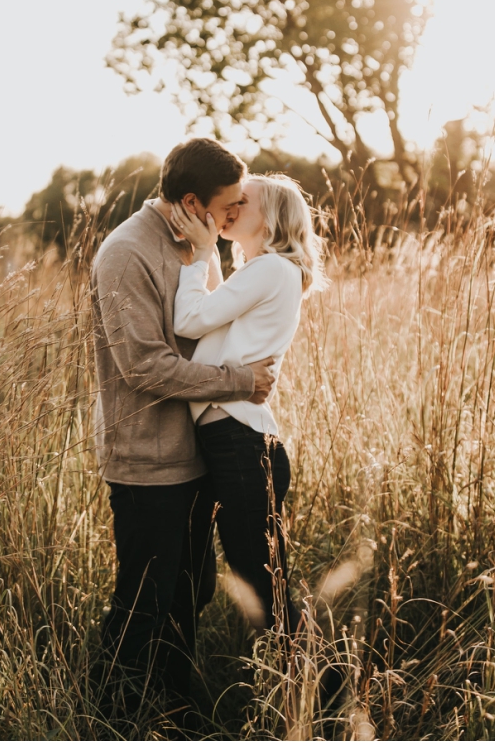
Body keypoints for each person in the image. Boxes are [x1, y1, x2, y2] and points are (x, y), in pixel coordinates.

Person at [88, 137, 277, 718]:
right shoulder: (125, 254)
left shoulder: (199, 247)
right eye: (226, 208)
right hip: (146, 460)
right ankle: (107, 712)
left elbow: (205, 332)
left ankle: (172, 709)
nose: (231, 219)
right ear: (193, 202)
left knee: (189, 594)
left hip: (197, 453)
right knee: (144, 599)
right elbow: (144, 366)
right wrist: (238, 381)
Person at [168, 173, 325, 636]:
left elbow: (190, 319)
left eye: (243, 201)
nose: (232, 206)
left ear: (271, 216)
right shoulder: (265, 271)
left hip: (240, 441)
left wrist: (200, 252)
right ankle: (313, 685)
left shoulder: (271, 269)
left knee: (263, 590)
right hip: (234, 440)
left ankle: (327, 690)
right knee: (260, 585)